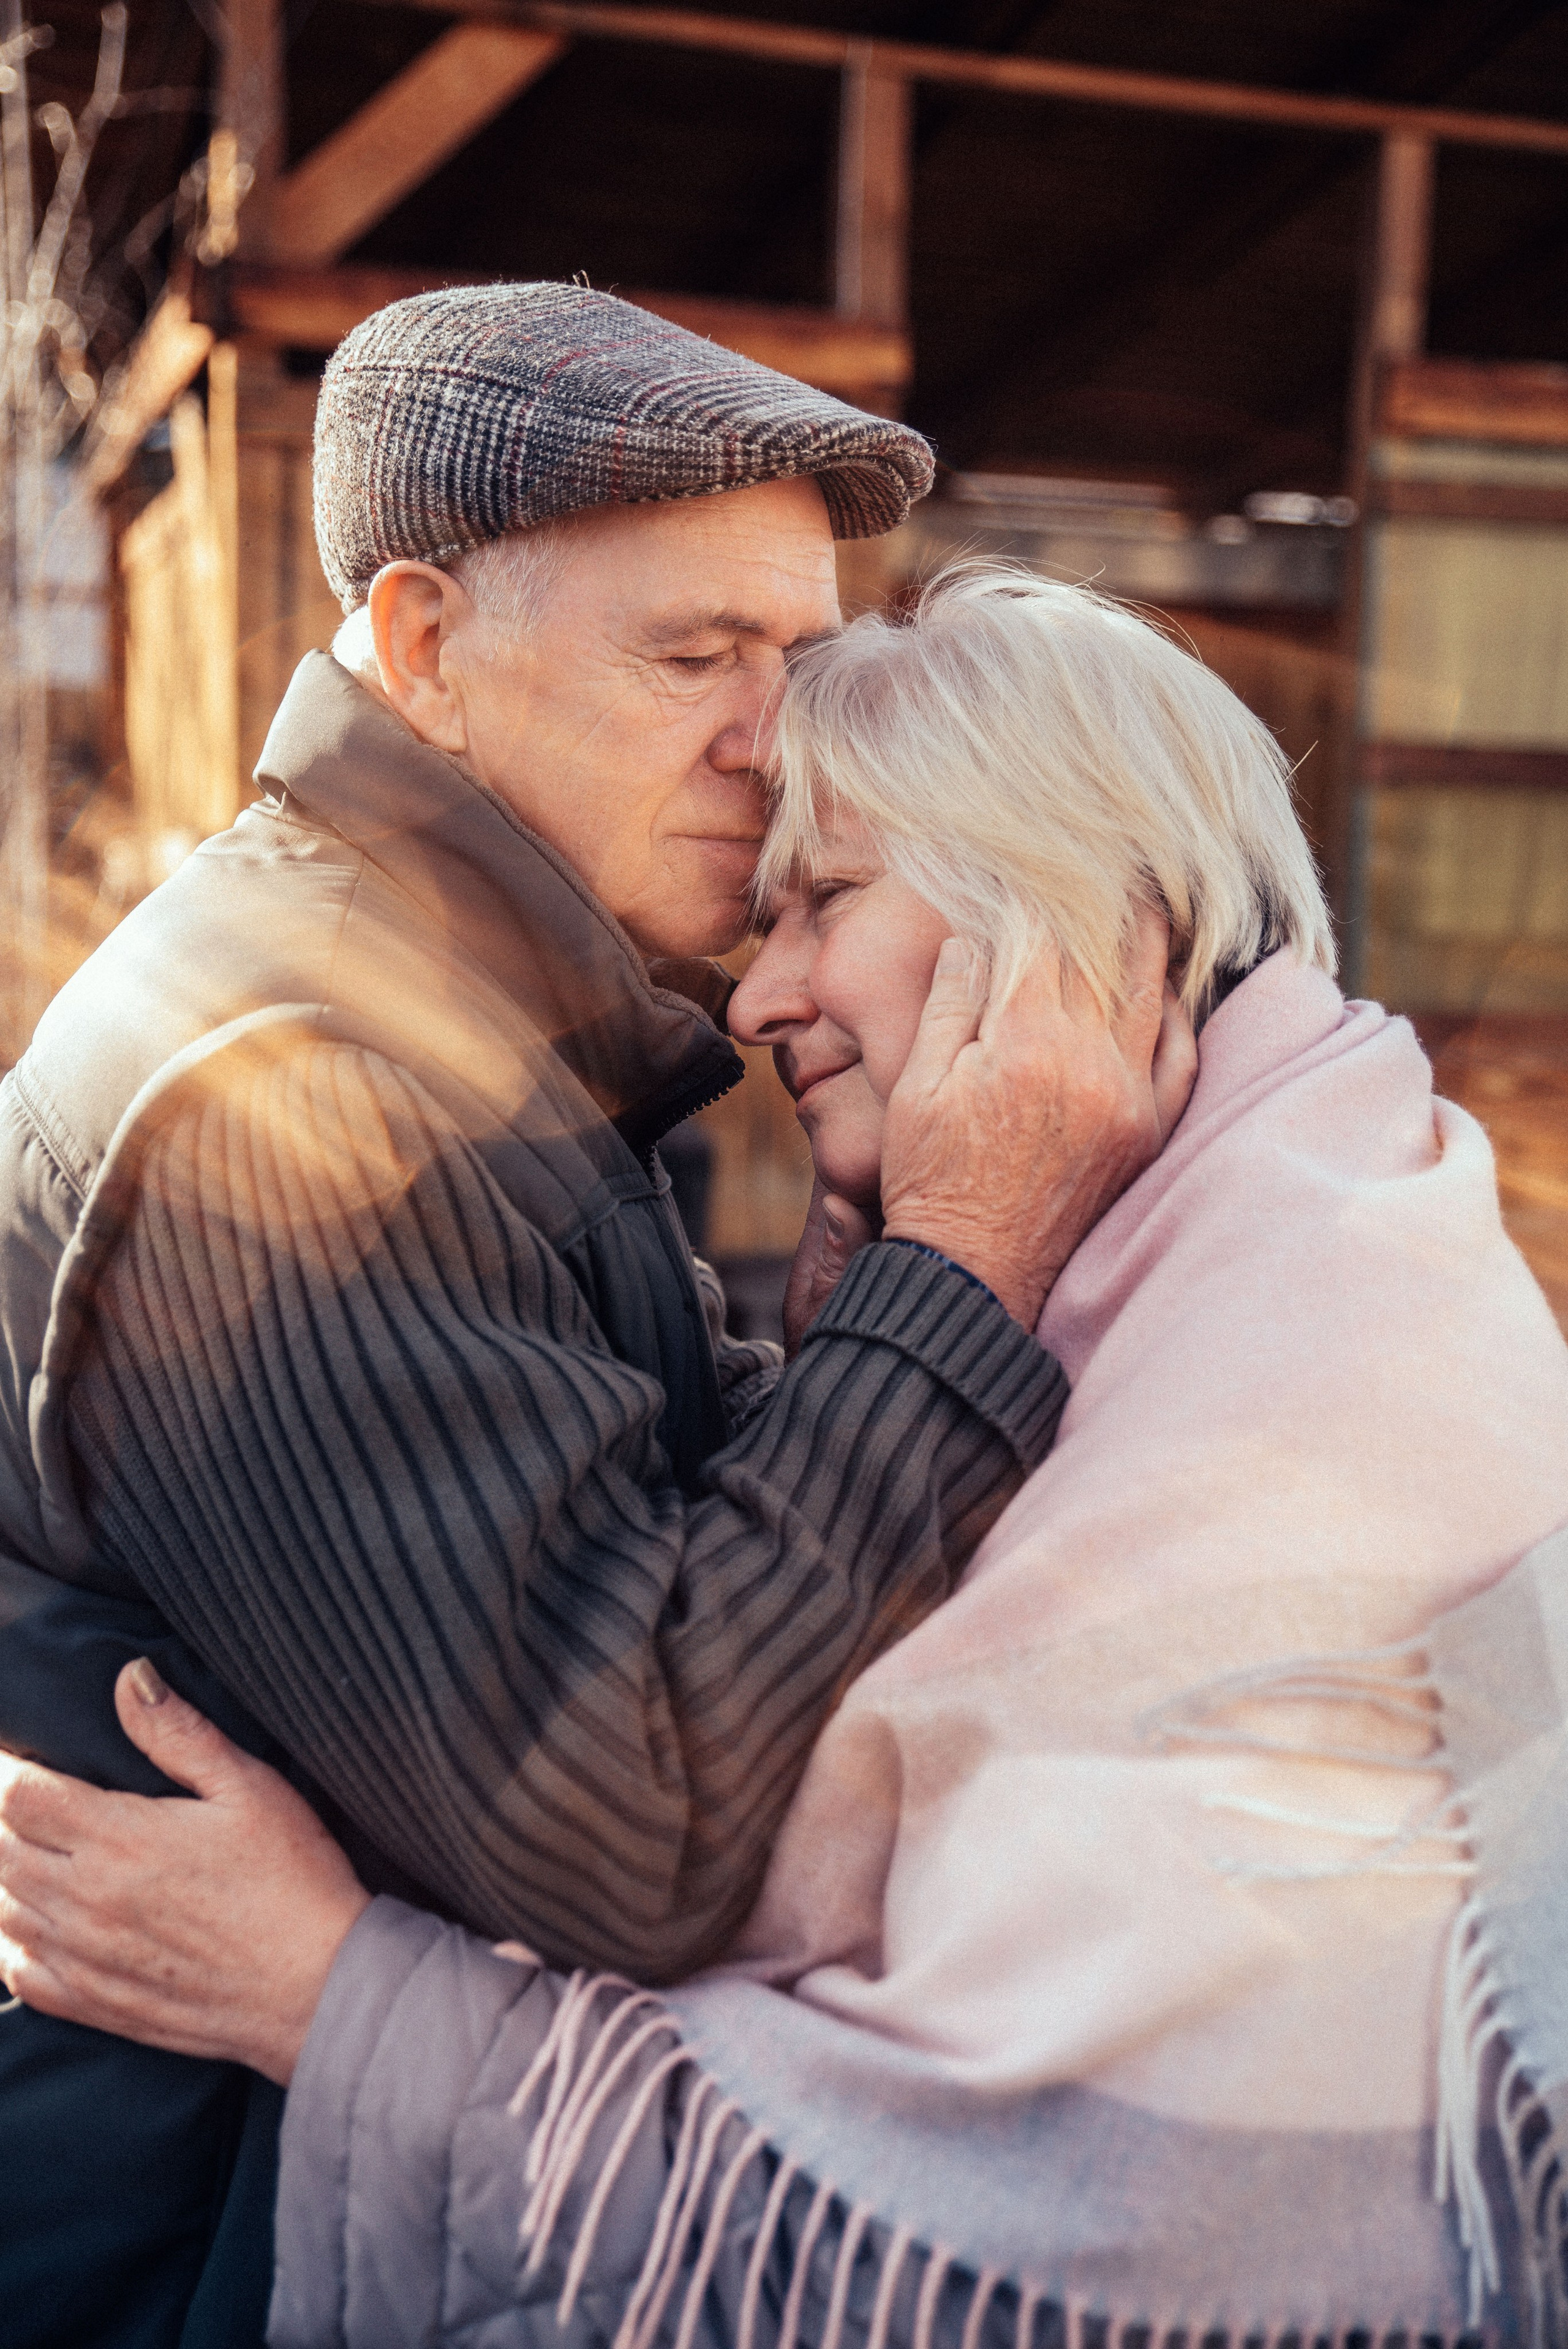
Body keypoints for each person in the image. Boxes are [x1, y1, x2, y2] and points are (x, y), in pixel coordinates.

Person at [12, 565, 1567, 2343]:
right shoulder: (1262, 1239)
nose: (762, 1000)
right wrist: (896, 1308)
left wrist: (332, 1994)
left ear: (1064, 919)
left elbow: (1081, 2230)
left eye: (823, 899)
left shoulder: (1309, 1398)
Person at [0, 293, 1186, 2349]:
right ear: (432, 645)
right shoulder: (297, 1076)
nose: (771, 736)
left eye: (797, 663)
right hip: (186, 2262)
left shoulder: (495, 1030)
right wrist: (961, 1264)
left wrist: (836, 1331)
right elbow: (629, 1823)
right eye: (691, 657)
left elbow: (673, 1576)